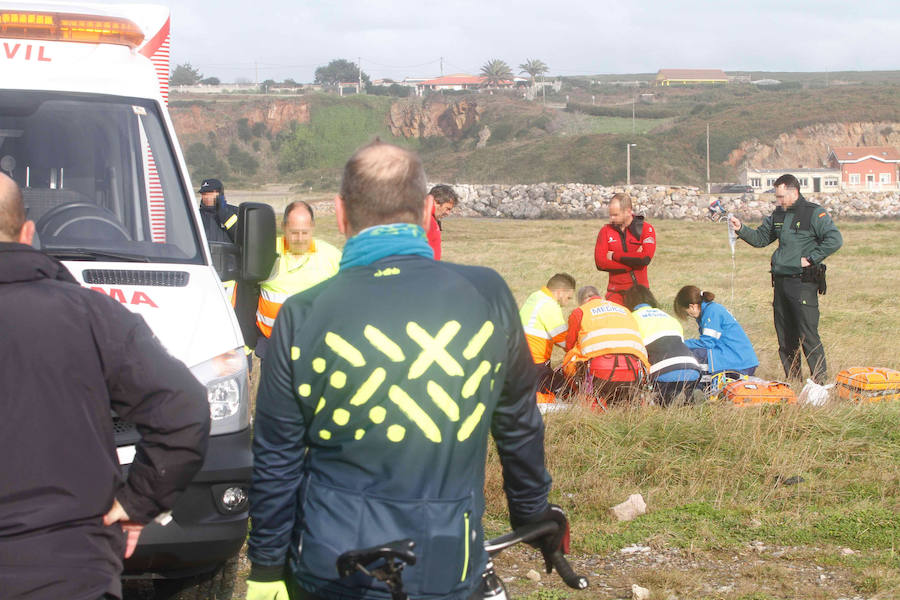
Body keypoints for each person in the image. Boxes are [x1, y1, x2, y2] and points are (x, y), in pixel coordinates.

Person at [246, 141, 567, 600]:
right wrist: (532, 514)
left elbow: (277, 456)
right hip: (447, 561)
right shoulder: (488, 294)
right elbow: (517, 425)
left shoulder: (301, 314)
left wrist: (265, 568)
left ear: (339, 214)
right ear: (428, 208)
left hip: (330, 565)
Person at [0, 173, 210, 600]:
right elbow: (183, 408)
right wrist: (137, 503)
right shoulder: (89, 314)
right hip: (68, 569)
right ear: (28, 233)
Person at [729, 173, 843, 383]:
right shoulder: (778, 215)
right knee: (785, 338)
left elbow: (835, 239)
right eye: (776, 197)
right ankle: (793, 381)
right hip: (781, 283)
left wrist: (811, 258)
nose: (778, 201)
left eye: (781, 196)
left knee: (808, 335)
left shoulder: (813, 213)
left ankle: (819, 383)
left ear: (794, 191)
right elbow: (761, 239)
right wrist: (741, 229)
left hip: (802, 283)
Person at [255, 200, 341, 359]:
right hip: (272, 350)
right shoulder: (265, 252)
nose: (300, 238)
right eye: (294, 232)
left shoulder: (332, 257)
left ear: (313, 227)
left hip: (316, 352)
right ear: (283, 227)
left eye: (305, 232)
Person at [562, 285, 649, 405]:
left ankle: (586, 399)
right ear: (601, 297)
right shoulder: (625, 310)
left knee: (569, 360)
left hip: (600, 373)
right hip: (634, 371)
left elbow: (569, 346)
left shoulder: (580, 311)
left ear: (581, 301)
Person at [623, 286, 702, 406]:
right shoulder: (669, 318)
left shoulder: (631, 319)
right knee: (681, 385)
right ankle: (690, 393)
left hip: (663, 371)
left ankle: (669, 397)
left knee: (662, 394)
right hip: (692, 368)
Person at [673, 286, 759, 376]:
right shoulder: (711, 309)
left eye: (687, 313)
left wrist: (681, 344)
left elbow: (707, 343)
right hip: (740, 359)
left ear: (692, 306)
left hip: (739, 362)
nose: (689, 316)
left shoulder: (711, 312)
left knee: (692, 357)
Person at [519, 273, 576, 396]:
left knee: (559, 386)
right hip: (534, 364)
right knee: (555, 396)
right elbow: (564, 340)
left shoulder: (535, 297)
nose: (567, 303)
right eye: (568, 298)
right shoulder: (549, 305)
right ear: (560, 292)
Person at [594, 193, 657, 305]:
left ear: (628, 212)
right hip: (615, 293)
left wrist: (614, 256)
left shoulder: (646, 229)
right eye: (610, 215)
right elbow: (600, 263)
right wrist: (633, 264)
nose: (611, 219)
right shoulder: (605, 231)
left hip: (640, 293)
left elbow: (645, 258)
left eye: (615, 215)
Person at [198, 177, 239, 244]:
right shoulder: (195, 216)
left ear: (220, 194)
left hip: (227, 253)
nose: (207, 197)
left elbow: (241, 237)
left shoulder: (235, 212)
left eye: (211, 193)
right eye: (204, 194)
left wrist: (224, 213)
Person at [425, 184, 458, 260]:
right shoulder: (425, 219)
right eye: (447, 209)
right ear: (436, 202)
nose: (448, 213)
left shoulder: (430, 218)